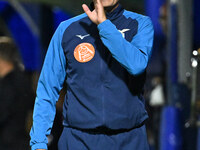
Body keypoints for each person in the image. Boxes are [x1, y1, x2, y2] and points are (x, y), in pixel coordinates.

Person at [30, 0, 154, 149]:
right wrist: (38, 142)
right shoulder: (67, 30)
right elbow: (47, 90)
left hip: (129, 140)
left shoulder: (140, 24)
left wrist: (104, 25)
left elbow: (136, 65)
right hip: (78, 140)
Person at [0, 36, 34, 150]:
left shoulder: (10, 84)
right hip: (20, 140)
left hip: (9, 143)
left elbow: (3, 112)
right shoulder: (22, 79)